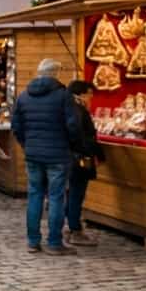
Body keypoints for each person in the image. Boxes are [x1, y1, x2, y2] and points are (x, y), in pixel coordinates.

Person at [13, 59, 81, 255]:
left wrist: (27, 145)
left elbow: (16, 126)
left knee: (34, 195)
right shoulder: (63, 95)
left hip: (33, 153)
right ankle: (54, 242)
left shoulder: (24, 96)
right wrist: (72, 146)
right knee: (56, 197)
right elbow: (73, 126)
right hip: (58, 154)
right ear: (56, 73)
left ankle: (33, 241)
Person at [66, 80, 103, 247]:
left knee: (71, 193)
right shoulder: (79, 110)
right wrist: (98, 154)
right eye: (90, 94)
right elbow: (84, 137)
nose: (91, 97)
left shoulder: (67, 106)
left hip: (67, 156)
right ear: (81, 94)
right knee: (76, 193)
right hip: (78, 158)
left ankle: (70, 227)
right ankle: (75, 230)